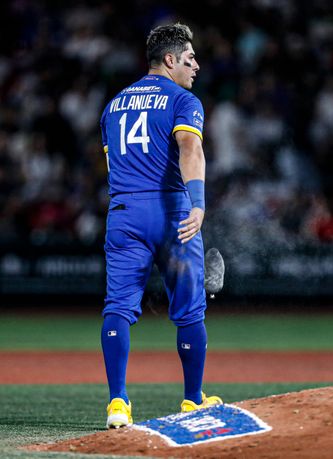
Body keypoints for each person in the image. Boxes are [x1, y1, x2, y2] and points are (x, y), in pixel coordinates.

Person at [99, 23, 222, 429]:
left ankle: (118, 403)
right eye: (189, 58)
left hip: (123, 214)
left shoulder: (113, 104)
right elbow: (191, 148)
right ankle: (192, 400)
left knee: (118, 308)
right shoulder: (183, 99)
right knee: (189, 311)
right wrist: (199, 204)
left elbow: (115, 164)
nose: (196, 66)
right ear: (169, 60)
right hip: (172, 212)